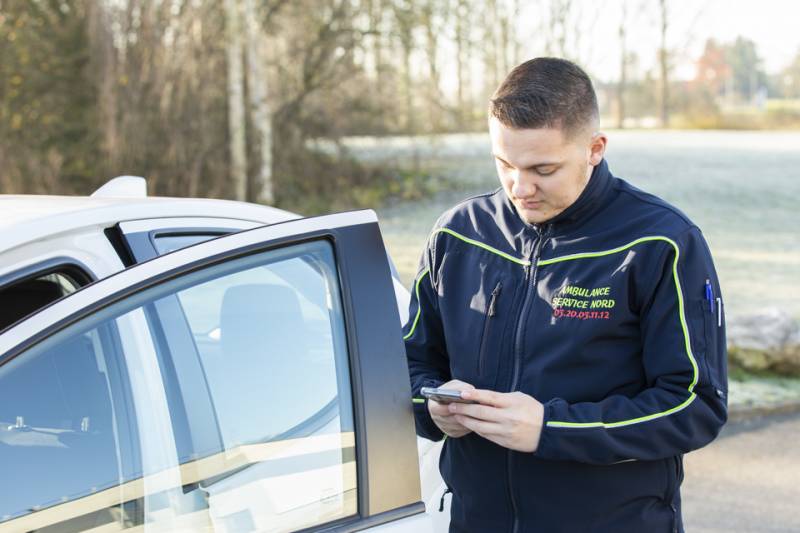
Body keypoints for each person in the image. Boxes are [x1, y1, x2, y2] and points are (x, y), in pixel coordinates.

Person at [403, 57, 728, 533]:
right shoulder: (458, 235)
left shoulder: (659, 243)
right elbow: (407, 364)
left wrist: (550, 430)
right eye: (504, 164)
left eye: (543, 169)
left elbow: (695, 406)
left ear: (595, 148)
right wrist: (431, 409)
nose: (520, 187)